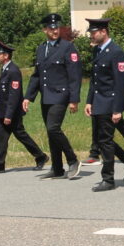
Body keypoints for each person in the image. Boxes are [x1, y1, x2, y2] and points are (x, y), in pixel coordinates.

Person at [25, 13, 83, 180]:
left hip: (61, 95)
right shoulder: (41, 48)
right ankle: (57, 167)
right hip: (46, 96)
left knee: (53, 128)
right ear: (45, 30)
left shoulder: (67, 47)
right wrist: (28, 97)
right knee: (50, 132)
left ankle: (72, 160)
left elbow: (74, 75)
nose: (55, 31)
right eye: (51, 28)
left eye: (57, 28)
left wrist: (74, 99)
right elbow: (37, 75)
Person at [84, 18, 124, 191]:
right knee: (102, 140)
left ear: (103, 32)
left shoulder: (116, 52)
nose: (91, 36)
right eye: (91, 33)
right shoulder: (97, 51)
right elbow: (94, 80)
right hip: (98, 103)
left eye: (94, 32)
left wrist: (117, 109)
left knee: (105, 141)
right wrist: (89, 100)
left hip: (109, 102)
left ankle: (108, 179)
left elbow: (119, 83)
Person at [0, 40, 48, 173]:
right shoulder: (5, 69)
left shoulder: (13, 70)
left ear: (6, 56)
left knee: (21, 135)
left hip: (12, 113)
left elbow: (14, 95)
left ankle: (41, 156)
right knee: (0, 137)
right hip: (2, 111)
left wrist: (8, 115)